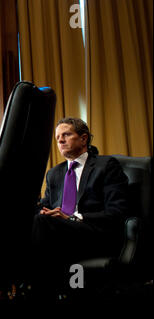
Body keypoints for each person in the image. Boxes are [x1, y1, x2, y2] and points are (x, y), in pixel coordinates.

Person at [31, 117, 129, 297]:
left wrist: (72, 218)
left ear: (84, 139)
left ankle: (38, 293)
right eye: (58, 137)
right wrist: (44, 211)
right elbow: (43, 207)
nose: (60, 140)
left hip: (93, 234)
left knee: (41, 224)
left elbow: (117, 212)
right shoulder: (53, 174)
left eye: (66, 135)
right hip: (56, 233)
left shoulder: (106, 165)